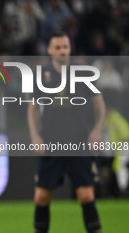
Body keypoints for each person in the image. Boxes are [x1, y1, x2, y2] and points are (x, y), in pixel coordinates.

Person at [27, 32, 105, 233]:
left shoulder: (84, 73)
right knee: (41, 197)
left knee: (86, 195)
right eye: (58, 47)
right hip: (51, 142)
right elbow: (33, 108)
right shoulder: (41, 75)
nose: (63, 51)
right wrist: (35, 136)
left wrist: (96, 130)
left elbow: (100, 105)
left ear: (70, 49)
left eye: (66, 47)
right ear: (50, 50)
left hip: (78, 142)